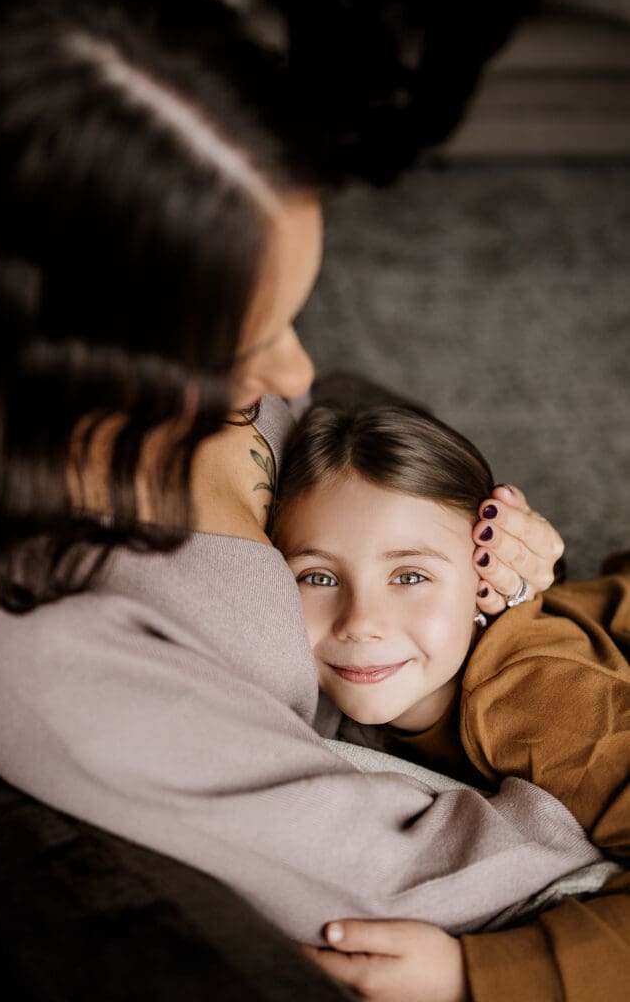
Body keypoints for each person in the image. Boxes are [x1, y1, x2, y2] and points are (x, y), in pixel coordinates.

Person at [0, 0, 609, 998]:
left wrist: (494, 587)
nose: (294, 377)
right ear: (59, 358)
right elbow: (428, 882)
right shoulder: (29, 655)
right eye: (244, 347)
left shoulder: (171, 403)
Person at [271, 404, 630, 1000]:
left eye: (410, 576)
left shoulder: (542, 702)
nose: (361, 623)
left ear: (483, 583)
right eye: (319, 577)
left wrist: (470, 974)